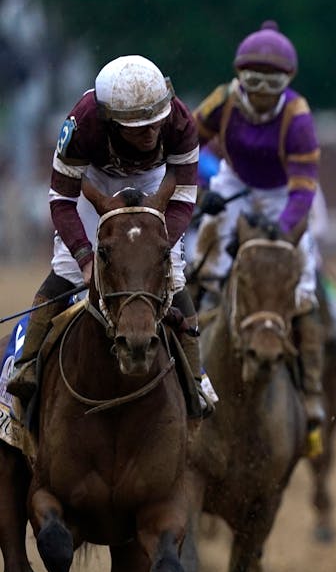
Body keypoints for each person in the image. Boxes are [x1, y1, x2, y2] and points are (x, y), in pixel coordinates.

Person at [8, 54, 212, 417]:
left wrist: (158, 249)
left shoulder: (180, 121)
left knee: (175, 277)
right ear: (110, 121)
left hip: (155, 183)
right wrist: (86, 260)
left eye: (155, 123)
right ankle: (25, 370)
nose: (151, 133)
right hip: (96, 182)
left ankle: (195, 382)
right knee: (65, 271)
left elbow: (182, 197)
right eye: (138, 128)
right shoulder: (83, 122)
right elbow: (62, 200)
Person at [187, 20, 328, 449]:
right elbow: (186, 146)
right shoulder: (222, 102)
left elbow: (304, 188)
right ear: (239, 77)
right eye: (253, 80)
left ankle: (312, 391)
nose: (263, 91)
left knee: (301, 284)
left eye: (273, 82)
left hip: (283, 194)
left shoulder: (298, 118)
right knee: (203, 263)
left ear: (288, 82)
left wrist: (282, 231)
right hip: (233, 183)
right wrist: (201, 194)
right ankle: (185, 363)